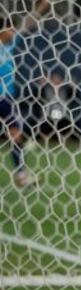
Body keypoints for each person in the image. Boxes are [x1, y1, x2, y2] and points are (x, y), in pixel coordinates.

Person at [0, 16, 34, 187]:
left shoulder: (9, 46)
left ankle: (21, 175)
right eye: (9, 29)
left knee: (16, 135)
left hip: (7, 99)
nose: (13, 33)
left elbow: (28, 22)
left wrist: (44, 3)